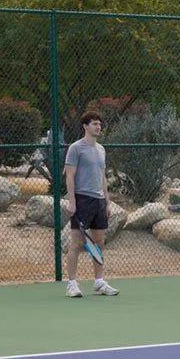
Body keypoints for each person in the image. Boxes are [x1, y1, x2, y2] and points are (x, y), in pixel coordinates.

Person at [63, 111, 119, 298]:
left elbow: (102, 177)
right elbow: (69, 176)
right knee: (77, 243)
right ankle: (72, 284)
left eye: (99, 124)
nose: (98, 127)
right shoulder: (75, 148)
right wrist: (72, 201)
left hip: (98, 201)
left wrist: (107, 202)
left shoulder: (101, 149)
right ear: (85, 126)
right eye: (95, 124)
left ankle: (99, 282)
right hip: (82, 199)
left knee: (99, 242)